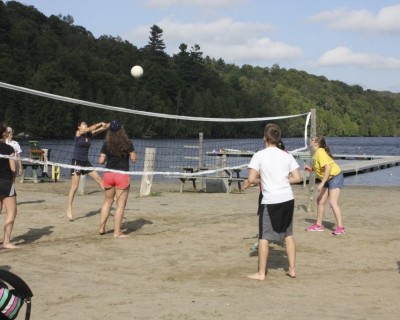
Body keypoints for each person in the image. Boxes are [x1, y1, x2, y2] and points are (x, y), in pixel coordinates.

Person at [246, 124, 301, 280]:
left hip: (271, 200)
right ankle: (292, 269)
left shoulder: (259, 155)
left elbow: (251, 179)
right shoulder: (287, 155)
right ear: (278, 139)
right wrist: (282, 180)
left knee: (264, 237)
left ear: (265, 138)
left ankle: (261, 273)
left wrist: (262, 179)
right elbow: (297, 178)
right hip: (288, 198)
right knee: (288, 234)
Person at [242, 138, 287, 256]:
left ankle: (275, 238)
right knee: (264, 218)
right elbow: (258, 173)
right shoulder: (265, 156)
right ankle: (271, 238)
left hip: (274, 194)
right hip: (266, 193)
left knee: (272, 220)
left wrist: (250, 181)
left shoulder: (281, 156)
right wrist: (248, 182)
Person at [98, 120, 137, 238]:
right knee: (120, 205)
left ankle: (101, 227)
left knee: (107, 202)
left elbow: (100, 161)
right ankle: (117, 232)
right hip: (121, 174)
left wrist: (106, 157)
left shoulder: (106, 143)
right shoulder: (127, 143)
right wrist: (132, 154)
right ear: (121, 130)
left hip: (109, 174)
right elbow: (134, 159)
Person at [67, 121, 109, 221]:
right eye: (83, 124)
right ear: (79, 126)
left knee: (99, 179)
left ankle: (111, 197)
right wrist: (100, 123)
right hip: (77, 162)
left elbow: (99, 130)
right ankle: (69, 208)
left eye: (86, 124)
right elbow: (91, 128)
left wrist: (108, 125)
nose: (85, 125)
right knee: (74, 187)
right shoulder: (78, 133)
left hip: (86, 162)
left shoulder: (89, 134)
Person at [304, 135, 345, 235]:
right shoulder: (316, 153)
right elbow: (321, 167)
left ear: (317, 143)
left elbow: (328, 168)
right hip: (328, 178)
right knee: (320, 201)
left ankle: (340, 227)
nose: (310, 141)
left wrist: (322, 183)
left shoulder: (320, 152)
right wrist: (311, 169)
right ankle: (318, 225)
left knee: (332, 202)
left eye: (312, 140)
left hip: (335, 176)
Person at [0, 123, 19, 249]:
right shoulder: (9, 149)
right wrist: (13, 179)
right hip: (6, 182)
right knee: (12, 212)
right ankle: (6, 242)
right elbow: (13, 169)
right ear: (4, 134)